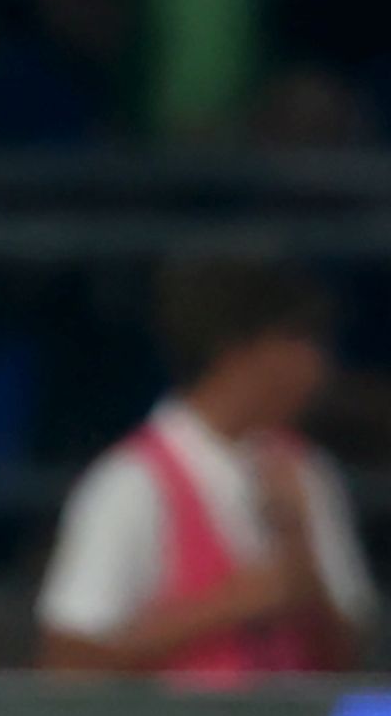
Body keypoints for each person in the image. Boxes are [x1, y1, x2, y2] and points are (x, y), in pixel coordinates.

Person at [35, 258, 371, 678]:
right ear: (237, 351)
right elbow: (68, 662)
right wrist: (236, 602)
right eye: (298, 340)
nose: (318, 366)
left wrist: (299, 554)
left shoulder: (307, 472)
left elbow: (347, 661)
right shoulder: (131, 482)